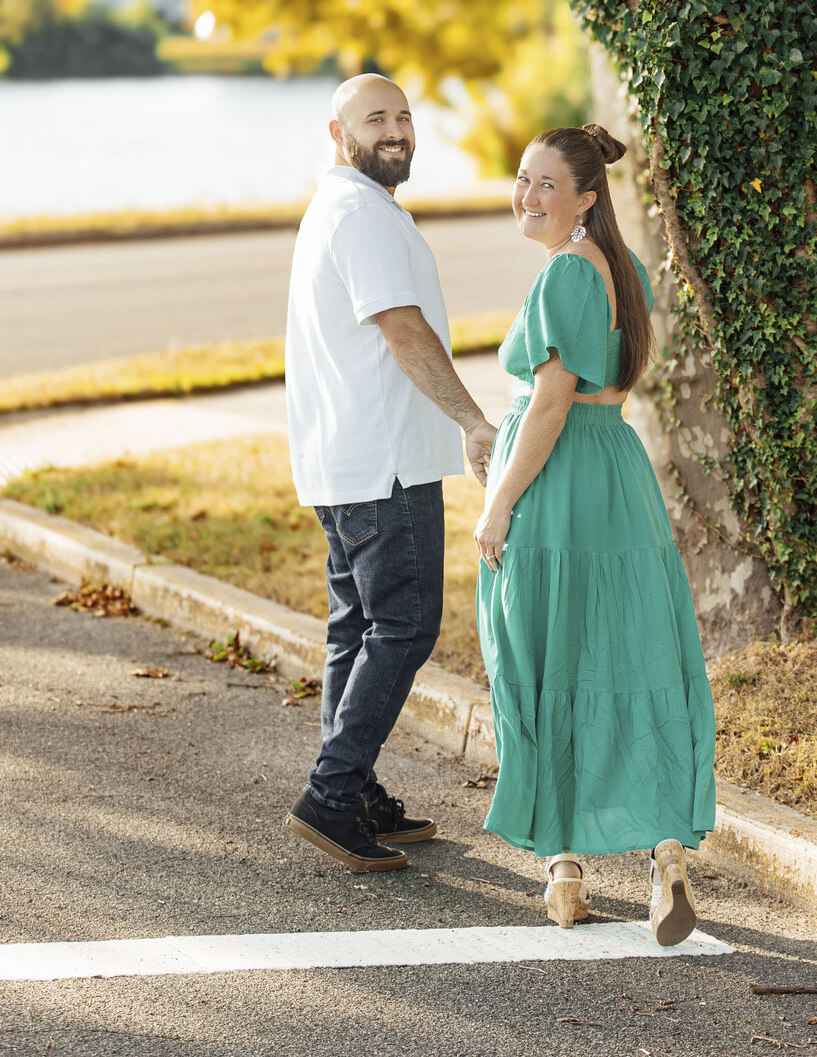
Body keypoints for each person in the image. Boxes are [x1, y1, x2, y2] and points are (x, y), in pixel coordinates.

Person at [474, 123, 716, 944]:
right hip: (617, 472)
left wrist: (500, 500)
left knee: (547, 654)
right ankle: (663, 853)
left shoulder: (562, 279)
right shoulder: (625, 268)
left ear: (586, 196)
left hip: (562, 482)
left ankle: (566, 866)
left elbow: (548, 405)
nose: (528, 196)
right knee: (624, 653)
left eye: (547, 184)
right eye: (522, 178)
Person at [284, 73, 497, 874]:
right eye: (376, 118)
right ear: (339, 133)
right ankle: (332, 795)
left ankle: (355, 787)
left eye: (404, 116)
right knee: (403, 627)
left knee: (358, 627)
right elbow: (402, 331)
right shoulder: (359, 216)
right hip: (386, 465)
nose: (396, 130)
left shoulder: (342, 208)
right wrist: (473, 420)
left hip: (345, 464)